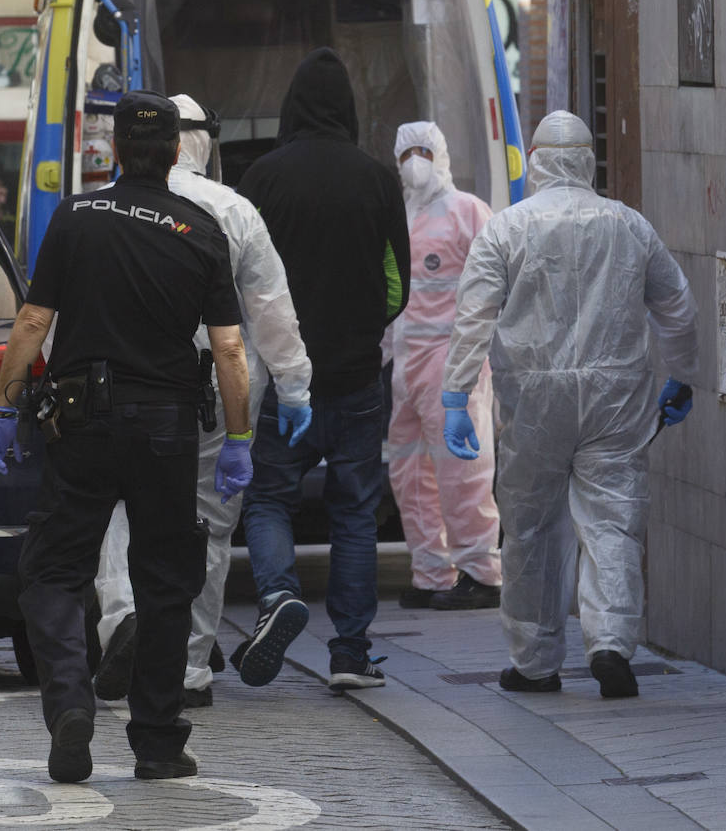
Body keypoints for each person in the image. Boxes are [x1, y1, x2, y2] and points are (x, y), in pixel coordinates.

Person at [0, 90, 252, 783]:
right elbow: (228, 349)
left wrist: (4, 407)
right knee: (166, 583)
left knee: (52, 570)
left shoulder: (76, 216)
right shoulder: (201, 229)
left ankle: (71, 702)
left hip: (81, 423)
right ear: (173, 153)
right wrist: (242, 436)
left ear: (113, 151)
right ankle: (158, 742)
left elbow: (33, 323)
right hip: (167, 430)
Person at [441, 110, 698, 699]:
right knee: (614, 520)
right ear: (588, 160)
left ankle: (535, 663)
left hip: (532, 401)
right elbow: (677, 307)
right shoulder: (630, 226)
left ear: (534, 159)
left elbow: (473, 316)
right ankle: (610, 643)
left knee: (530, 526)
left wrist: (457, 394)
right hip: (616, 399)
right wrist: (681, 376)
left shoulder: (506, 230)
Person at [90, 94, 313, 710]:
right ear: (202, 143)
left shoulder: (101, 209)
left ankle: (126, 621)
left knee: (121, 509)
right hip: (223, 389)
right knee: (206, 527)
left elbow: (67, 307)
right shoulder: (235, 210)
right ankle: (185, 669)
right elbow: (272, 313)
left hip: (129, 383)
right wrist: (295, 387)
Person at [232, 47, 410, 694]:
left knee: (270, 495)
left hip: (285, 382)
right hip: (359, 378)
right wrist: (361, 329)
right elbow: (399, 285)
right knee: (357, 511)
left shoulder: (263, 179)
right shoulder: (378, 179)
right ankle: (350, 652)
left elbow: (242, 281)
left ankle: (278, 593)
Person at [387, 122, 502, 611]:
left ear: (441, 155)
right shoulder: (398, 215)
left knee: (462, 471)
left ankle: (481, 572)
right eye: (407, 153)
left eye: (423, 151)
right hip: (406, 362)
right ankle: (431, 571)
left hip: (454, 362)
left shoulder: (468, 212)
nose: (416, 161)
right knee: (408, 471)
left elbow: (496, 281)